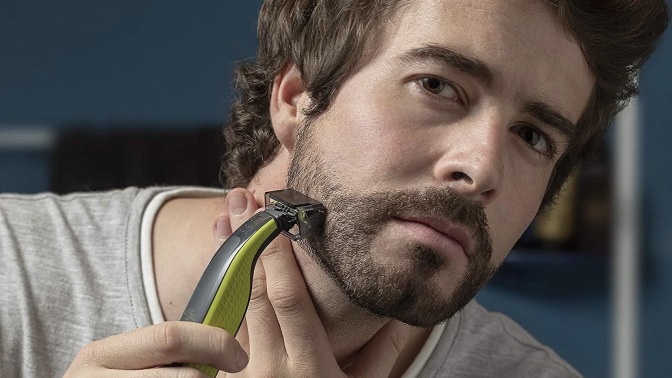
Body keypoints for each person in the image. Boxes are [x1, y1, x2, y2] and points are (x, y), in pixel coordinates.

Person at [1, 0, 668, 376]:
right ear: (296, 97)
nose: (482, 169)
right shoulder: (13, 271)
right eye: (438, 86)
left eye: (533, 136)